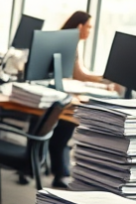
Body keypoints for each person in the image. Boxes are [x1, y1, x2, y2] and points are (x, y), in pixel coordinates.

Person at [47, 10, 110, 188]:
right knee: (68, 123)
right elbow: (79, 74)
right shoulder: (71, 43)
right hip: (57, 93)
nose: (90, 31)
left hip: (62, 90)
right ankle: (61, 173)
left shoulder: (71, 41)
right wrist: (106, 79)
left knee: (66, 125)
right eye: (88, 27)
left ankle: (62, 172)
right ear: (80, 26)